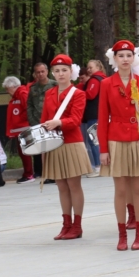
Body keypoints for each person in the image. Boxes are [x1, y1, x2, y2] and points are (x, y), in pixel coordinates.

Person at [98, 43, 139, 250]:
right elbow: (103, 118)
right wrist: (103, 150)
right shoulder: (106, 84)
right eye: (120, 55)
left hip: (136, 139)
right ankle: (122, 234)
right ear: (114, 59)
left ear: (134, 58)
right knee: (121, 190)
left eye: (128, 55)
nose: (125, 59)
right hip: (116, 139)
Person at [40, 54, 91, 239]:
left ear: (71, 72)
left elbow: (76, 120)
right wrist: (43, 144)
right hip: (54, 143)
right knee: (61, 186)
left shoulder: (78, 93)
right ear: (53, 73)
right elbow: (44, 119)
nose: (60, 74)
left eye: (64, 70)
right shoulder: (49, 94)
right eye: (57, 71)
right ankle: (66, 224)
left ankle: (77, 225)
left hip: (71, 142)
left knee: (73, 185)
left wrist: (58, 122)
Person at [27, 62, 56, 183]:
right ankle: (48, 174)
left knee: (54, 149)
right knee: (43, 150)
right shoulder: (33, 88)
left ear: (47, 71)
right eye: (38, 72)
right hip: (38, 123)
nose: (40, 74)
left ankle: (57, 173)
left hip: (53, 122)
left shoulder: (54, 85)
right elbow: (29, 106)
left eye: (42, 71)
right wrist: (33, 121)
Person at [3, 76, 35, 183]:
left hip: (23, 128)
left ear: (12, 87)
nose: (7, 91)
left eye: (7, 89)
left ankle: (29, 174)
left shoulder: (22, 94)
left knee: (25, 152)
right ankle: (28, 173)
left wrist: (21, 119)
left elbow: (28, 109)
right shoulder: (17, 96)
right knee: (23, 152)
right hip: (20, 128)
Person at [80, 59, 106, 178]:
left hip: (94, 114)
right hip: (100, 113)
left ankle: (98, 166)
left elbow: (90, 94)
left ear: (97, 67)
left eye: (91, 67)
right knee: (98, 140)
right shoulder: (103, 79)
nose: (89, 70)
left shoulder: (95, 80)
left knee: (93, 140)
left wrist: (79, 94)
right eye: (88, 67)